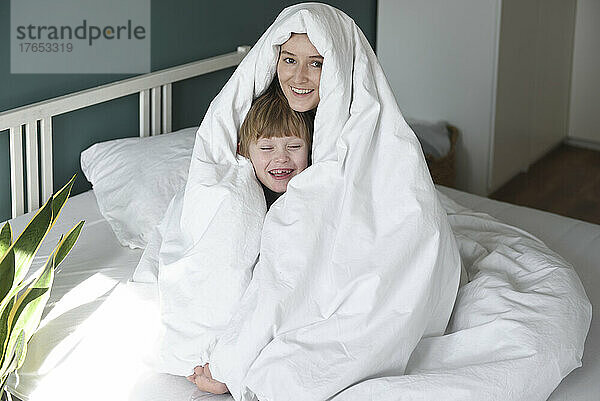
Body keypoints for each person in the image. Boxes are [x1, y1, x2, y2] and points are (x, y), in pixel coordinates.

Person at [170, 4, 460, 399]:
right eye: (289, 59)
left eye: (317, 63)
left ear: (339, 66)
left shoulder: (356, 119)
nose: (300, 77)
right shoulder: (270, 114)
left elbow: (292, 263)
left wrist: (228, 366)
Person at [238, 81, 314, 207]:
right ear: (243, 152)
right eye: (266, 148)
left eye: (294, 146)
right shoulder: (241, 198)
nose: (281, 158)